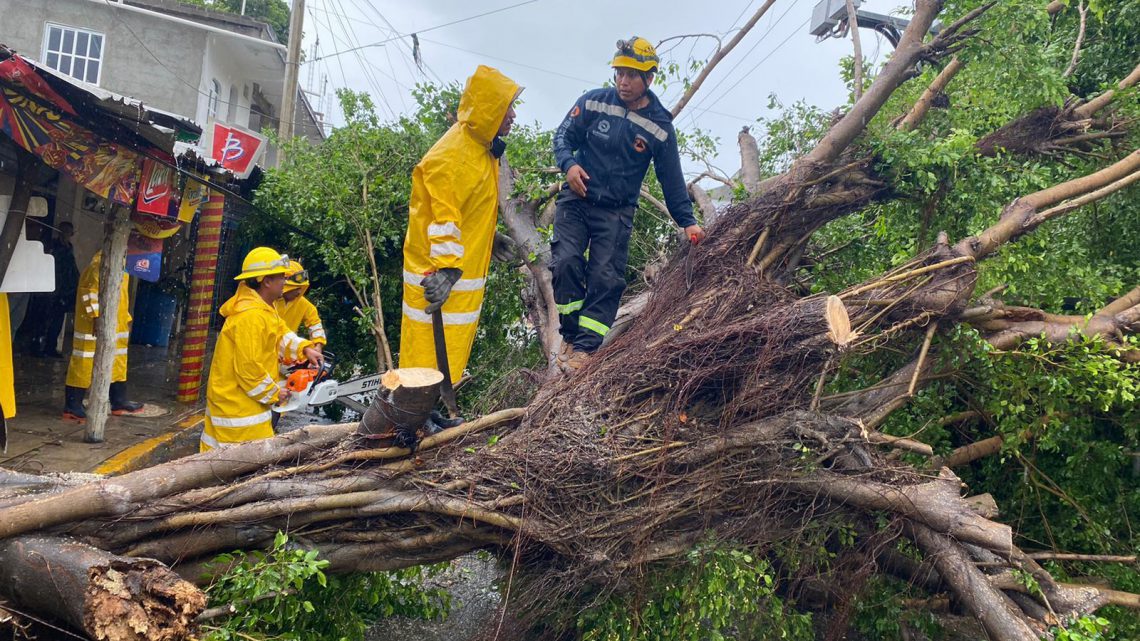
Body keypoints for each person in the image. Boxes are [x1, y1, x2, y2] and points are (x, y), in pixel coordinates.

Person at [550, 36, 705, 370]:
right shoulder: (593, 102)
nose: (623, 80)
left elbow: (671, 179)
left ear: (649, 78)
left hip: (616, 211)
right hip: (576, 201)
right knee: (565, 263)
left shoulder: (660, 125)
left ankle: (585, 350)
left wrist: (687, 220)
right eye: (620, 72)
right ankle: (570, 333)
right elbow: (562, 137)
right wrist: (569, 164)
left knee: (605, 277)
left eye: (632, 75)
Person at [399, 65, 521, 387]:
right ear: (490, 108)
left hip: (453, 277)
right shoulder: (453, 155)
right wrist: (447, 271)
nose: (513, 115)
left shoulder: (480, 150)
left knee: (446, 352)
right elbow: (444, 218)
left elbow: (469, 209)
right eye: (508, 107)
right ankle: (413, 420)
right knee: (426, 349)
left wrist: (489, 238)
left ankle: (430, 409)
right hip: (437, 277)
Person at [201, 247, 322, 452]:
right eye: (281, 277)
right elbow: (249, 368)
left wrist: (306, 348)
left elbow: (280, 334)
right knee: (237, 462)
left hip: (243, 403)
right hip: (237, 408)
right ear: (266, 281)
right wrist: (275, 393)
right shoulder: (251, 317)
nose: (285, 282)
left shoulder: (264, 308)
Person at [63, 251, 143, 422]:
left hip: (116, 325)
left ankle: (118, 401)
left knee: (117, 362)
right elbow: (89, 293)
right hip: (93, 327)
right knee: (84, 364)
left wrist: (126, 319)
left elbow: (122, 298)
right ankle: (72, 405)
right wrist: (96, 317)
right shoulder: (99, 267)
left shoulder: (121, 269)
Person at [32, 221, 78, 358]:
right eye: (64, 231)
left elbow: (71, 269)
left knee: (57, 322)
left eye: (69, 232)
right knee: (44, 320)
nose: (67, 235)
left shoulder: (69, 247)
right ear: (59, 231)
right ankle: (37, 347)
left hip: (63, 292)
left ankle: (50, 347)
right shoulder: (52, 245)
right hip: (50, 289)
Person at [275, 260, 326, 351]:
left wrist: (318, 345)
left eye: (301, 288)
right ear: (286, 286)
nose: (299, 292)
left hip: (287, 354)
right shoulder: (268, 302)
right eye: (296, 288)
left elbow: (315, 323)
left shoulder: (302, 303)